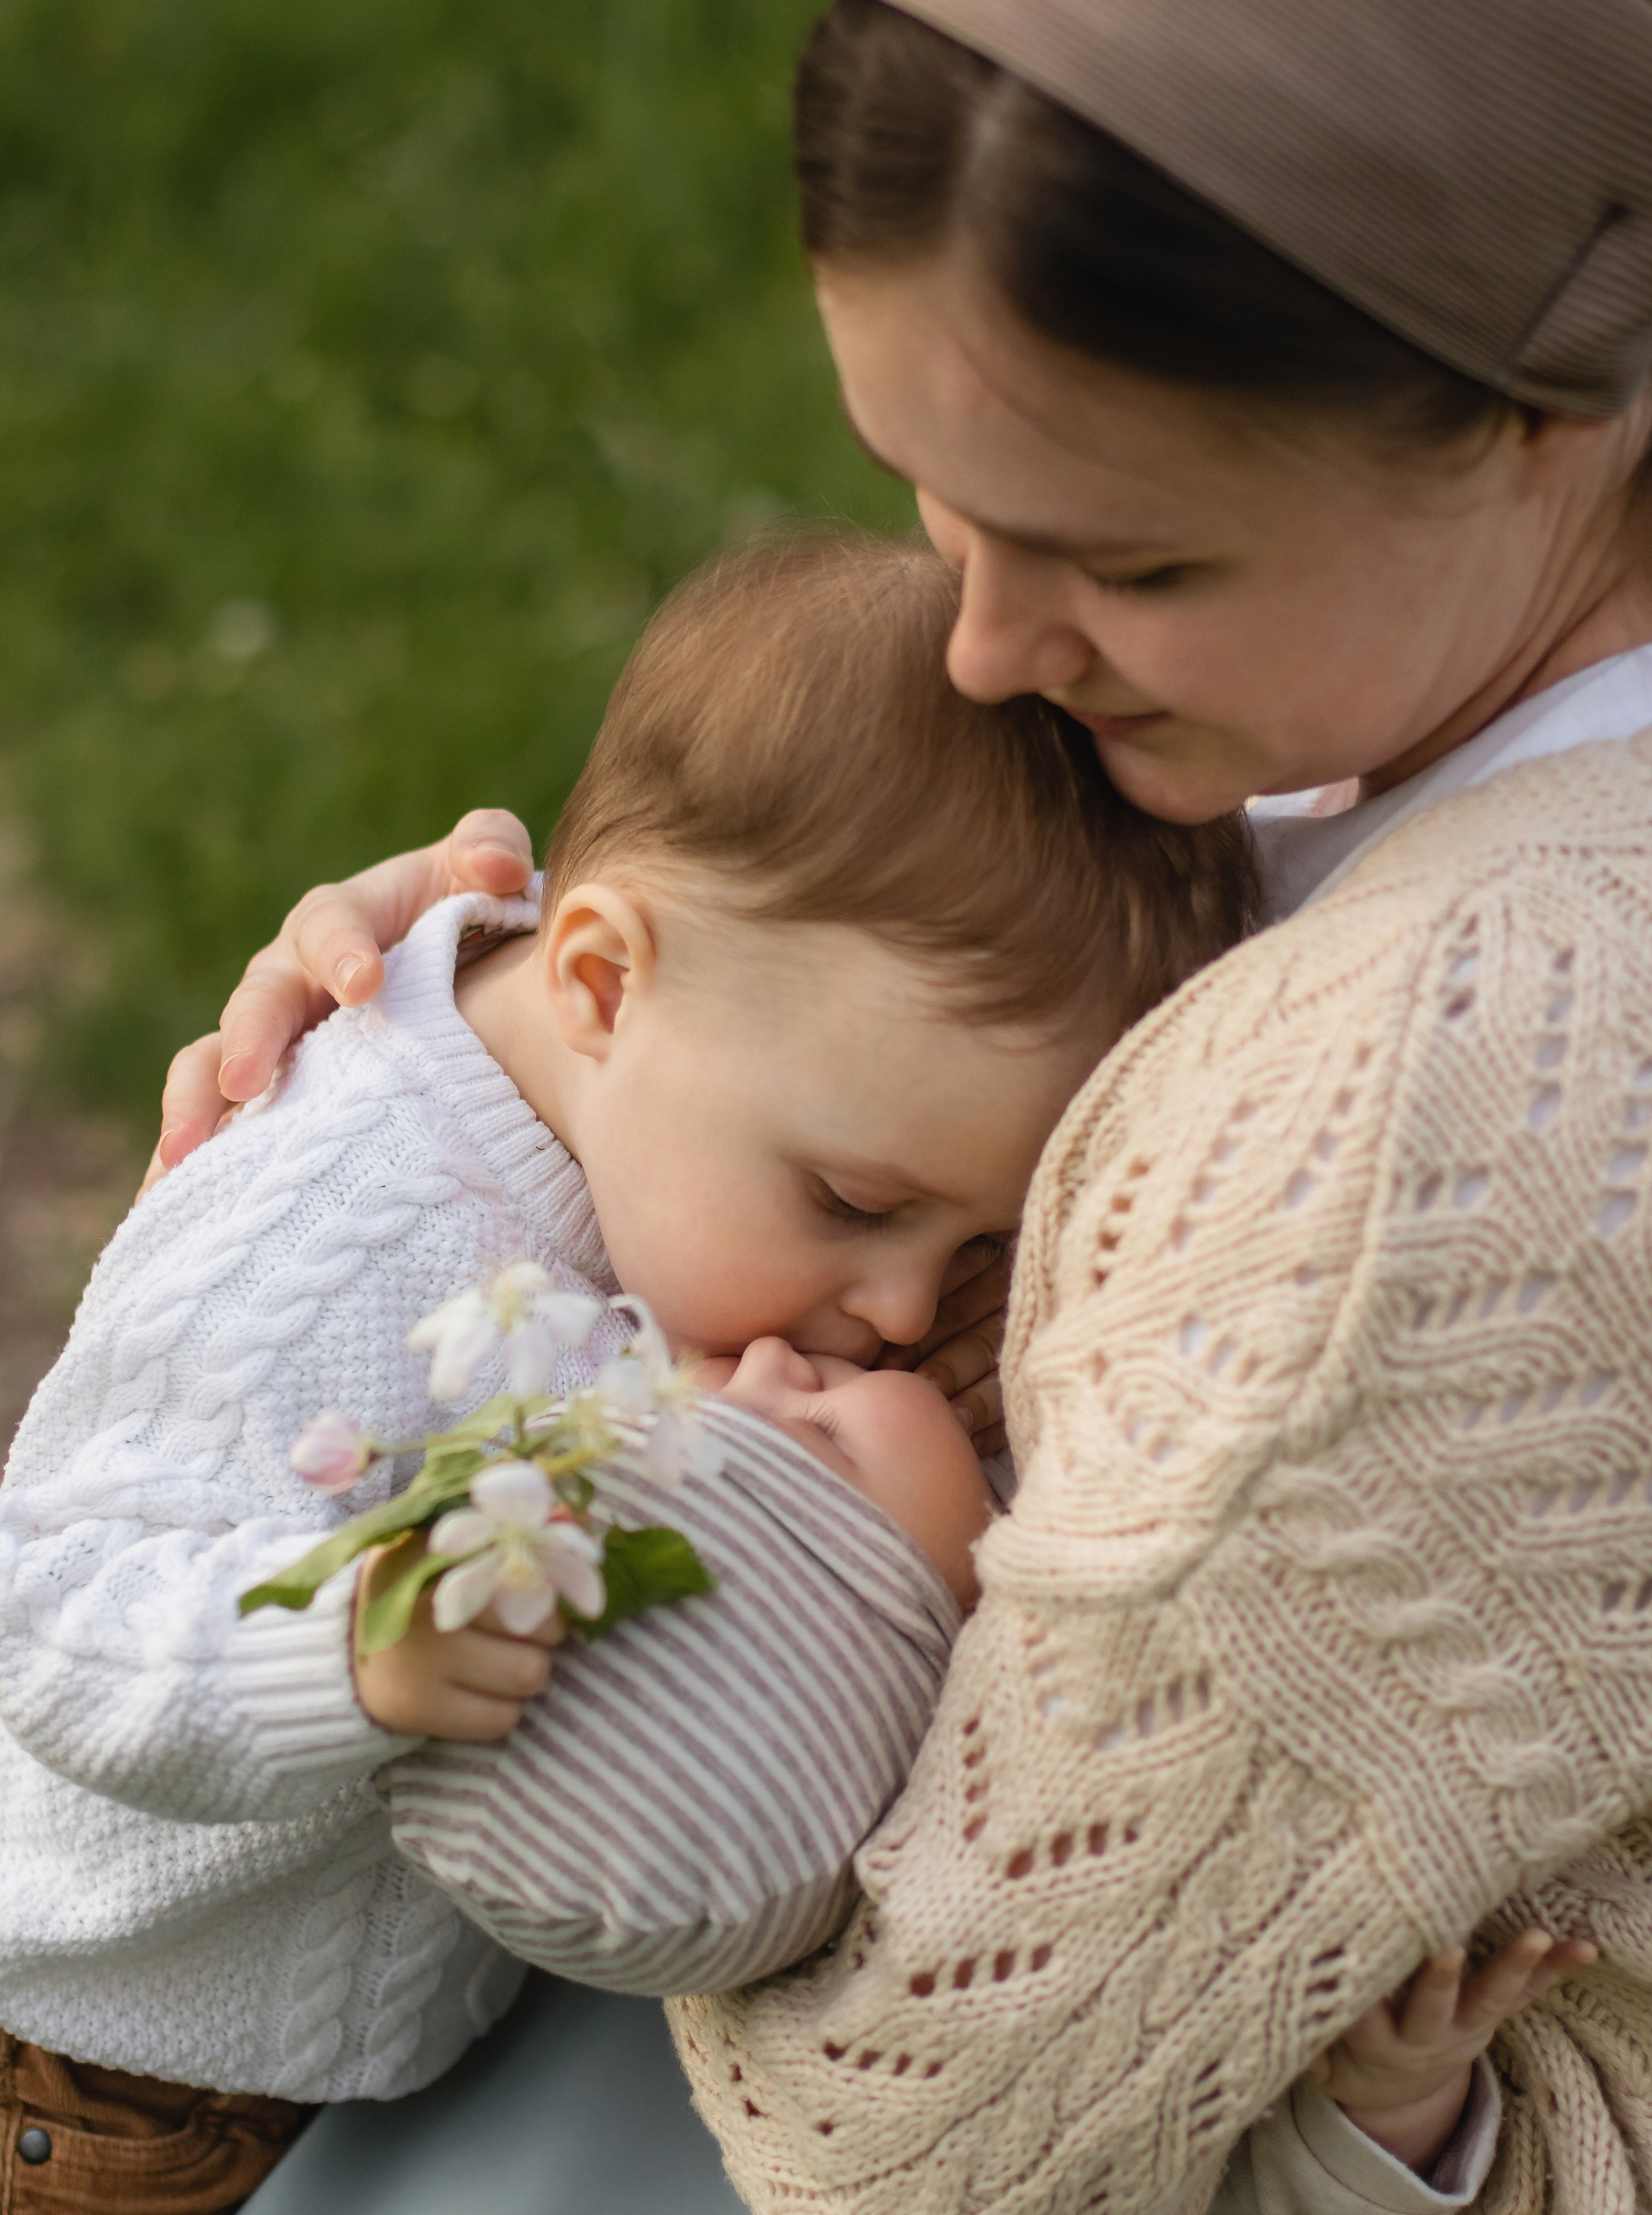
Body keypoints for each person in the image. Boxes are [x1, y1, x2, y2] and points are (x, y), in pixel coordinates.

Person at [161, 0, 1652, 2208]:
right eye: (936, 509)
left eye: (1127, 564)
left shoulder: (1453, 1105)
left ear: (1528, 413)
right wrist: (519, 1060)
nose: (975, 653)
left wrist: (833, 1535)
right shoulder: (1392, 698)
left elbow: (920, 2132)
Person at [0, 531, 1249, 2208]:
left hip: (388, 2045)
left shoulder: (697, 1092)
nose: (896, 1309)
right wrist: (353, 1650)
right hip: (123, 2074)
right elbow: (56, 1604)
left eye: (974, 1246)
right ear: (597, 982)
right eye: (858, 1204)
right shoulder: (340, 1243)